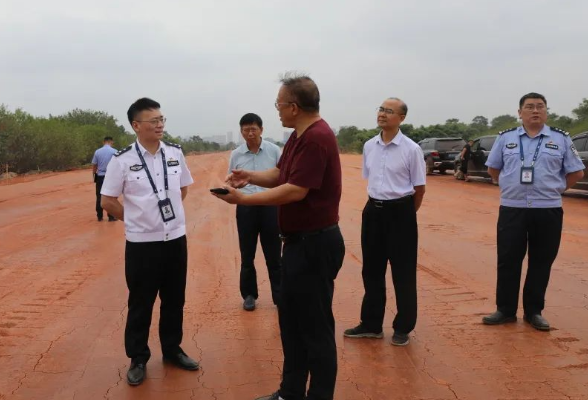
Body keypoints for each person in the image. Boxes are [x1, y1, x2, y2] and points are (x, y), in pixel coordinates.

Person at [213, 73, 345, 400]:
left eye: (279, 104)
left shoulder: (316, 137)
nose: (277, 110)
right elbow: (280, 174)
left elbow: (296, 190)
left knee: (315, 328)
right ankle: (291, 392)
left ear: (295, 107)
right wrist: (250, 176)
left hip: (315, 244)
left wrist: (243, 199)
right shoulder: (297, 137)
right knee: (292, 322)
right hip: (299, 245)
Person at [100, 98, 199, 386]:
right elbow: (108, 201)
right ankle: (138, 358)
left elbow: (182, 189)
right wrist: (136, 221)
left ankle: (172, 350)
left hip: (175, 240)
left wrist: (166, 219)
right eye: (153, 120)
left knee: (174, 299)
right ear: (136, 125)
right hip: (142, 245)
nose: (160, 125)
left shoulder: (175, 153)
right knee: (141, 302)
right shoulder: (123, 160)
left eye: (162, 119)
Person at [482, 92, 585, 331]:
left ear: (546, 111)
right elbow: (493, 170)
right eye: (529, 107)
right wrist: (510, 187)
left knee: (541, 261)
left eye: (540, 107)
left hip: (547, 210)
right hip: (512, 209)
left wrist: (556, 189)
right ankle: (505, 310)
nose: (535, 111)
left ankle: (534, 312)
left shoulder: (560, 139)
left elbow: (576, 172)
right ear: (520, 113)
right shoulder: (506, 138)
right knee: (508, 260)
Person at [343, 97, 426, 346]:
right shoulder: (370, 146)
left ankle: (403, 328)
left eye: (389, 111)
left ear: (401, 118)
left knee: (403, 272)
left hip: (401, 213)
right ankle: (371, 324)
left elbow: (419, 189)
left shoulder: (411, 149)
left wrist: (406, 215)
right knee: (372, 270)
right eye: (381, 109)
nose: (382, 114)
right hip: (373, 212)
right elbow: (370, 179)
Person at [228, 113, 282, 311]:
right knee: (247, 254)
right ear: (241, 131)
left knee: (274, 255)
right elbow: (233, 180)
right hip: (246, 207)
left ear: (261, 130)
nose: (250, 133)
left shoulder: (274, 151)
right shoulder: (236, 154)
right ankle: (249, 295)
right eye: (245, 129)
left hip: (270, 206)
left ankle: (280, 295)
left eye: (253, 129)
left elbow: (282, 177)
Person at [91, 136, 117, 221]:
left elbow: (94, 165)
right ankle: (111, 216)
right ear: (111, 142)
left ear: (104, 142)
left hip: (100, 176)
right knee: (111, 196)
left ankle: (99, 216)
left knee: (99, 196)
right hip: (111, 176)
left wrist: (94, 174)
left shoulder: (97, 152)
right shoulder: (114, 151)